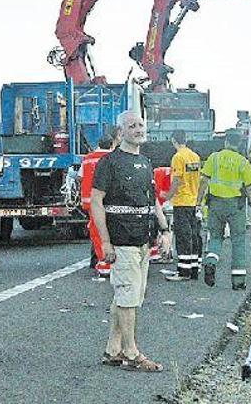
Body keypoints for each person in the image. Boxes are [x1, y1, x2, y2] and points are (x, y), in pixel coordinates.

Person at [91, 111, 169, 372]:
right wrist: (105, 242)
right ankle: (131, 353)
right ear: (120, 132)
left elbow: (153, 200)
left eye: (140, 125)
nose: (138, 129)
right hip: (121, 240)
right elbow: (96, 201)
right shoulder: (109, 163)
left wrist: (164, 230)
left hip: (143, 241)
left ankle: (113, 349)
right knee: (128, 296)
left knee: (130, 295)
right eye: (132, 126)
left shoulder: (146, 163)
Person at [197, 132, 251, 290]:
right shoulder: (243, 162)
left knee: (215, 238)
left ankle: (211, 262)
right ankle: (238, 282)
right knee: (238, 242)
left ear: (226, 142)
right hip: (236, 207)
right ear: (239, 144)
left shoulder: (214, 157)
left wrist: (198, 202)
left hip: (215, 204)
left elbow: (204, 181)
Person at [163, 130, 201, 281]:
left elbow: (177, 180)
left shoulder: (178, 157)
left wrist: (168, 197)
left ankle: (183, 272)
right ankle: (193, 268)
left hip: (182, 201)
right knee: (193, 235)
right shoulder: (195, 156)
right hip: (192, 200)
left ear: (173, 140)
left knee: (183, 236)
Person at [79, 130, 118, 276]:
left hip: (90, 202)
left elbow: (80, 177)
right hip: (109, 201)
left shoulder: (88, 159)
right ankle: (109, 261)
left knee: (96, 231)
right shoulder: (112, 158)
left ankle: (103, 260)